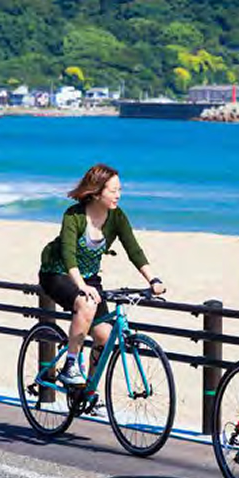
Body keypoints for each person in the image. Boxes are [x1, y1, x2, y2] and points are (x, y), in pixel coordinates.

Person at [39, 163, 165, 389]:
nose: (118, 195)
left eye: (120, 190)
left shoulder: (117, 217)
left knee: (104, 337)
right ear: (96, 192)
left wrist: (153, 280)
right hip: (58, 273)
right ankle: (70, 364)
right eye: (113, 190)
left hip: (90, 277)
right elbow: (68, 255)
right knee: (86, 303)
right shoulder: (74, 216)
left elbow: (133, 249)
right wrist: (81, 286)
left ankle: (87, 391)